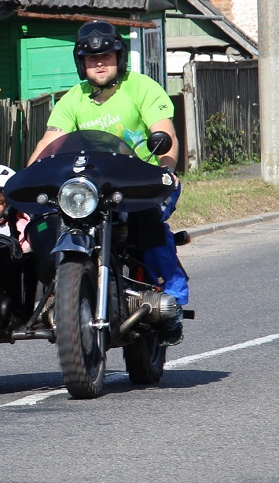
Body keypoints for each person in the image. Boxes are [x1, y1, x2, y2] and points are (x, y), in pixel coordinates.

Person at [26, 21, 187, 341]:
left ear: (120, 56)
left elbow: (165, 133)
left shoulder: (141, 87)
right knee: (49, 221)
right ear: (80, 62)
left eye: (107, 55)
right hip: (91, 189)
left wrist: (166, 169)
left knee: (150, 223)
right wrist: (27, 176)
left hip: (142, 182)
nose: (99, 62)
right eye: (90, 57)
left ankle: (173, 298)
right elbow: (49, 142)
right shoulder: (73, 99)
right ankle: (56, 294)